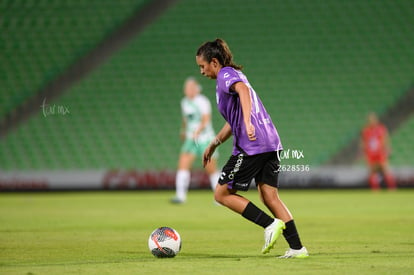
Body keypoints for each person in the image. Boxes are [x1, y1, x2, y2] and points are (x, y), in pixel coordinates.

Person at [196, 38, 308, 258]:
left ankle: (269, 225)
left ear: (215, 63)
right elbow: (232, 120)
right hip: (271, 142)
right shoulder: (231, 78)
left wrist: (247, 122)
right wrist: (214, 142)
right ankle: (297, 248)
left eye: (202, 66)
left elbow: (244, 91)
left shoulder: (225, 75)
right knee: (269, 196)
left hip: (252, 145)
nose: (201, 71)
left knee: (221, 193)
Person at [171, 77, 221, 204]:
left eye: (190, 88)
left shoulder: (202, 101)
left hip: (206, 139)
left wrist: (198, 131)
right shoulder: (184, 102)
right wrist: (183, 130)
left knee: (211, 169)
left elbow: (206, 119)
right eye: (186, 88)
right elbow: (185, 119)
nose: (188, 90)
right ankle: (180, 196)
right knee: (183, 165)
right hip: (190, 139)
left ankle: (220, 196)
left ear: (196, 89)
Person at [361, 112, 396, 190]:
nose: (371, 121)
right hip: (370, 153)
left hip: (380, 152)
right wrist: (364, 152)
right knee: (372, 171)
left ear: (376, 120)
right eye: (370, 119)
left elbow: (385, 139)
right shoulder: (365, 130)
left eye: (373, 119)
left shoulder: (381, 128)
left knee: (385, 169)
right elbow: (363, 142)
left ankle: (392, 188)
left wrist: (388, 148)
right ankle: (375, 189)